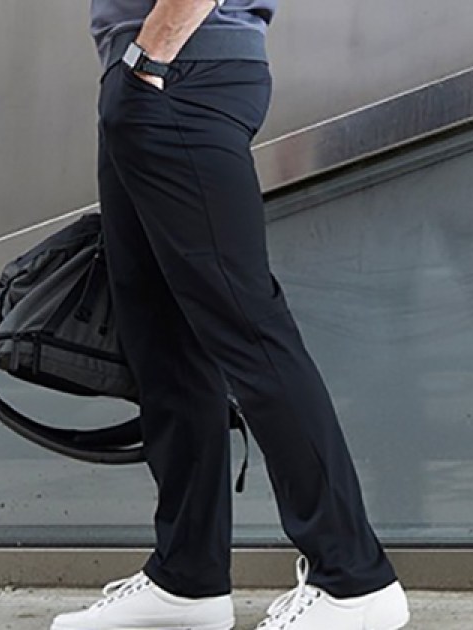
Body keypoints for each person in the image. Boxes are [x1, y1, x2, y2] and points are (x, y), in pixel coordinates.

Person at [50, 1, 411, 629]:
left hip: (177, 71)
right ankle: (185, 582)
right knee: (163, 340)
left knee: (248, 329)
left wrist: (151, 54)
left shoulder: (162, 62)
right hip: (149, 74)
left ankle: (355, 581)